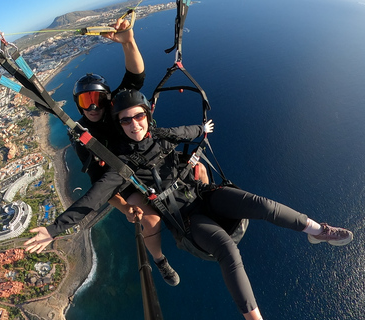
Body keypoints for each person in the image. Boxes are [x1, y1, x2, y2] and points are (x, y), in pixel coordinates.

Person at [26, 89, 354, 320]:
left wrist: (203, 129)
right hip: (186, 219)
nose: (134, 124)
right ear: (120, 125)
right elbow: (93, 198)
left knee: (261, 205)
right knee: (227, 249)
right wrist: (56, 228)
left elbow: (185, 131)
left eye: (138, 117)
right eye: (125, 121)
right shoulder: (120, 164)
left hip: (203, 195)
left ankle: (316, 230)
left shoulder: (161, 136)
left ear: (147, 116)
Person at [67, 17, 179, 285]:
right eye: (86, 102)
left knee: (198, 173)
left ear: (108, 99)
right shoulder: (81, 135)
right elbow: (98, 181)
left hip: (149, 158)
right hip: (123, 177)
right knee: (149, 218)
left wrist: (129, 42)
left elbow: (135, 77)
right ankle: (160, 260)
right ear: (78, 105)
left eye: (99, 100)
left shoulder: (116, 106)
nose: (93, 108)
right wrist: (125, 208)